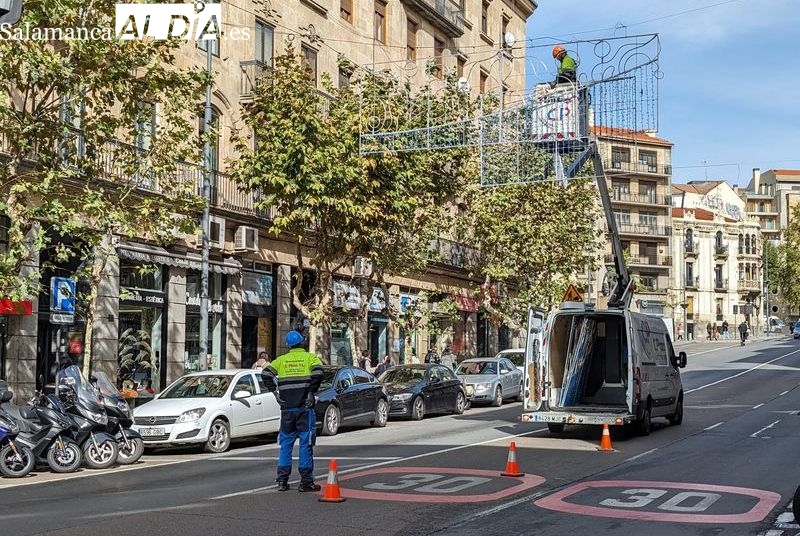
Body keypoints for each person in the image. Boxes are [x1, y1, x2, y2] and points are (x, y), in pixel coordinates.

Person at [261, 330, 324, 492]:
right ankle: (306, 481)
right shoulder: (310, 358)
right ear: (302, 343)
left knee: (286, 445)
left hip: (287, 410)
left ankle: (282, 481)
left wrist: (274, 392)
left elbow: (266, 373)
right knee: (305, 444)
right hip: (304, 408)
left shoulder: (281, 361)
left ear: (288, 346)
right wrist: (311, 391)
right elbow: (318, 372)